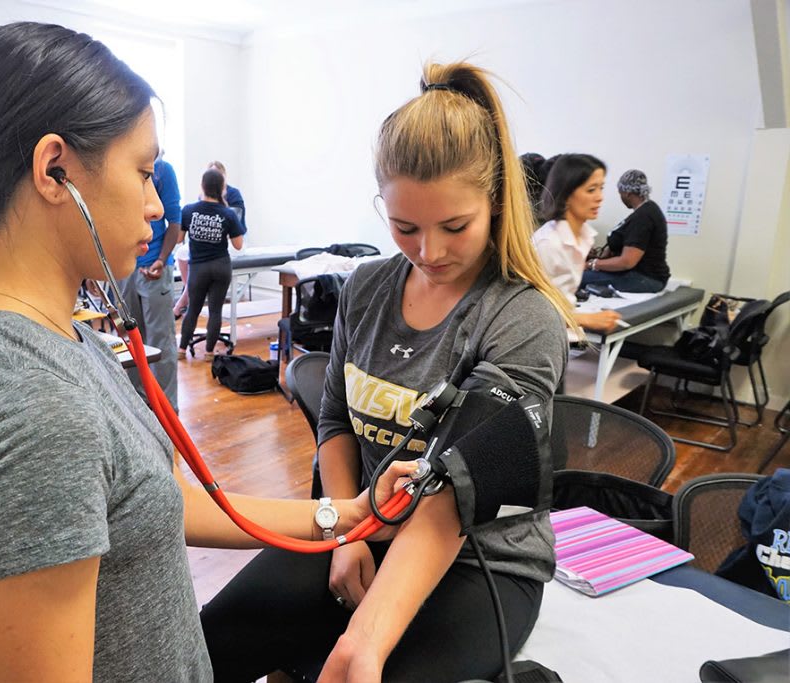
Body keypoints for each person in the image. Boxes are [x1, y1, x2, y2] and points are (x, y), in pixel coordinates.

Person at [0, 22, 413, 682]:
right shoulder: (27, 413)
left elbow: (151, 499)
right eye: (143, 171)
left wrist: (345, 514)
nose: (160, 205)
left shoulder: (59, 338)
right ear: (55, 170)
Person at [200, 62, 578, 682]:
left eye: (455, 227)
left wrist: (365, 637)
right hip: (368, 523)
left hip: (479, 563)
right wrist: (347, 527)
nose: (429, 253)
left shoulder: (521, 318)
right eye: (405, 228)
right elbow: (334, 417)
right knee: (208, 647)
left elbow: (463, 490)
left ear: (496, 200)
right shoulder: (368, 288)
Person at [116, 156, 181, 409]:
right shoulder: (119, 168)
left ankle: (166, 410)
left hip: (153, 267)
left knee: (160, 341)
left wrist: (162, 260)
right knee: (132, 342)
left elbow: (174, 221)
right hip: (124, 267)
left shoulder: (163, 171)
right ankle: (138, 405)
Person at [533, 153, 623, 333]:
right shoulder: (548, 244)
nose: (600, 197)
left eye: (601, 188)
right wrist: (585, 319)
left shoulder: (583, 237)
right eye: (591, 190)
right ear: (566, 194)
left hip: (559, 335)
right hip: (538, 340)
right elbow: (530, 313)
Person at [178, 168, 245, 357]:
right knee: (215, 311)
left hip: (198, 268)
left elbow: (178, 239)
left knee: (193, 309)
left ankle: (182, 349)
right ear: (223, 189)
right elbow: (238, 245)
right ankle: (209, 352)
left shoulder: (189, 210)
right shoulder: (228, 213)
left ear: (202, 186)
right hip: (221, 267)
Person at [580, 169, 670, 293]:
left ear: (627, 193)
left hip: (645, 278)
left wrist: (592, 264)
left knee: (576, 279)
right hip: (644, 275)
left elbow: (627, 262)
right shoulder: (647, 210)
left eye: (620, 193)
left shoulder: (643, 216)